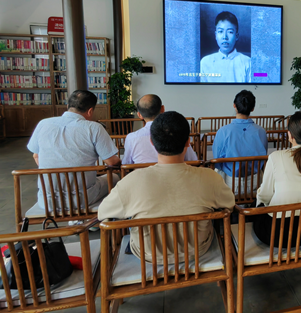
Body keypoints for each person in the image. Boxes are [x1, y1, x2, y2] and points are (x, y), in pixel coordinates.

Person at [98, 111, 235, 263]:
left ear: (152, 142)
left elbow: (103, 214)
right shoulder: (210, 177)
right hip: (197, 249)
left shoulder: (130, 181)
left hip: (147, 254)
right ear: (188, 142)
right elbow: (229, 205)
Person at [27, 90, 121, 210]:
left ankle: (80, 220)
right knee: (115, 178)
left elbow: (36, 156)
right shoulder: (94, 128)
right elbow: (112, 162)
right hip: (81, 199)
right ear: (90, 110)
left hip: (47, 200)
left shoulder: (43, 124)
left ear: (67, 106)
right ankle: (97, 218)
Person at [253, 112, 301, 247]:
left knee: (257, 204)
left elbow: (265, 195)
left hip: (277, 233)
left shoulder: (276, 157)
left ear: (290, 135)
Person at [213, 90, 268, 188]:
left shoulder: (223, 131)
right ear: (252, 108)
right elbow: (262, 159)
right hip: (256, 184)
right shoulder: (261, 132)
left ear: (234, 106)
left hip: (230, 185)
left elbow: (217, 161)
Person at [122, 94, 198, 164]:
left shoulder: (131, 138)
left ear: (139, 115)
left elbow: (126, 164)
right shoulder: (175, 132)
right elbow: (193, 161)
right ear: (162, 109)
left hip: (142, 177)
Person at [200, 11, 251, 83]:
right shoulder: (205, 62)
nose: (225, 37)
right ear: (216, 35)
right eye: (220, 31)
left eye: (230, 32)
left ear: (236, 36)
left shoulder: (248, 62)